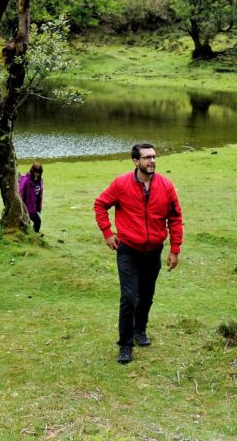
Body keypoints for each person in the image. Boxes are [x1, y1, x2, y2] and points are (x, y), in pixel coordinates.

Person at [93, 143, 183, 365]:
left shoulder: (166, 186)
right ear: (136, 161)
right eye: (147, 158)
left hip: (153, 251)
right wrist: (107, 232)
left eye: (154, 157)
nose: (152, 161)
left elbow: (175, 218)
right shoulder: (121, 184)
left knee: (146, 295)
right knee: (129, 297)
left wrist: (174, 249)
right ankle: (125, 345)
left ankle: (140, 330)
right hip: (128, 251)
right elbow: (100, 204)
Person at [18, 162, 44, 234]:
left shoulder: (40, 180)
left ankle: (35, 235)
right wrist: (22, 207)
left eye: (38, 172)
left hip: (33, 207)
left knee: (38, 221)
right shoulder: (26, 180)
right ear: (33, 171)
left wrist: (38, 206)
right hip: (26, 207)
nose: (37, 174)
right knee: (29, 222)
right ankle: (30, 236)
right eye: (35, 172)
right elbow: (20, 192)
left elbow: (39, 195)